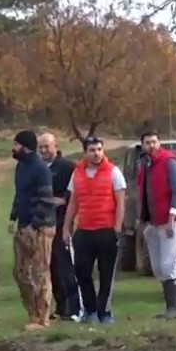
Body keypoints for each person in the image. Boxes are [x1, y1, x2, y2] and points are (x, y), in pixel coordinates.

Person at [63, 135, 126, 324]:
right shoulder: (78, 173)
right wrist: (67, 227)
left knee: (106, 272)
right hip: (84, 229)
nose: (96, 153)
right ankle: (89, 310)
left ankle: (104, 312)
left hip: (106, 229)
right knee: (81, 271)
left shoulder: (113, 172)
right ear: (85, 153)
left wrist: (117, 227)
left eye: (99, 149)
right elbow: (73, 203)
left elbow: (121, 202)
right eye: (92, 150)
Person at [135, 130, 176, 319]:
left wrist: (172, 216)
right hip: (153, 221)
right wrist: (142, 220)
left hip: (169, 220)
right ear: (142, 145)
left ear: (159, 142)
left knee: (168, 264)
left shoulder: (169, 162)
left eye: (154, 141)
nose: (151, 145)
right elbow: (143, 194)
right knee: (157, 267)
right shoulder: (145, 165)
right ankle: (169, 307)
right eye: (147, 142)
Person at [7, 130, 58, 330]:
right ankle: (32, 313)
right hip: (22, 225)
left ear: (25, 146)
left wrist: (35, 225)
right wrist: (13, 217)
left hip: (41, 227)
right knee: (20, 273)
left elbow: (46, 200)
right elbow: (20, 195)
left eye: (16, 144)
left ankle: (43, 319)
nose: (13, 148)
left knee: (40, 272)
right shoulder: (21, 167)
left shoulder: (40, 169)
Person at [39, 132, 81, 322]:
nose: (43, 150)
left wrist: (63, 200)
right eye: (40, 147)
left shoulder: (67, 167)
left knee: (65, 266)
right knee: (51, 267)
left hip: (62, 222)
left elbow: (76, 193)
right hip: (43, 223)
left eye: (47, 146)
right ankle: (60, 306)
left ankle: (73, 308)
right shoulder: (38, 168)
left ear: (55, 146)